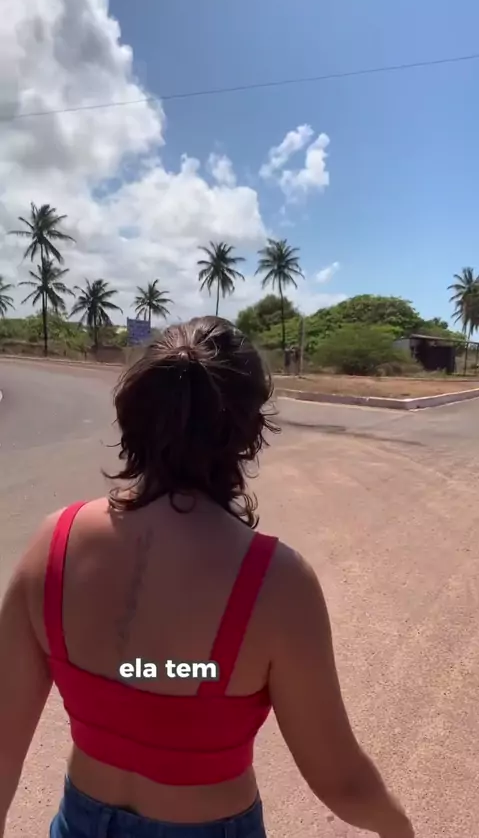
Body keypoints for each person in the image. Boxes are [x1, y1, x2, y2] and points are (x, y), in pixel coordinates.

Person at [0, 316, 414, 838]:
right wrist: (399, 828)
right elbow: (340, 780)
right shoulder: (277, 585)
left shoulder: (51, 546)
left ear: (135, 413)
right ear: (248, 431)